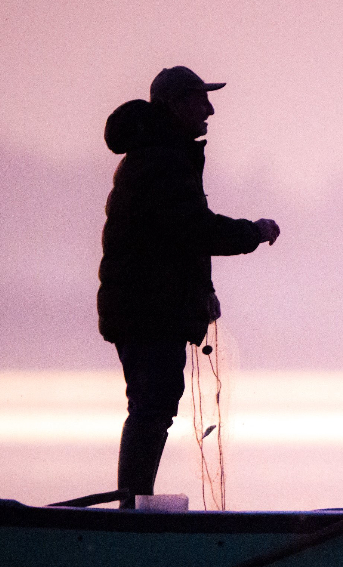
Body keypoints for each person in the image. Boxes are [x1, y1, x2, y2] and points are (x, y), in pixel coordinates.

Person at [98, 66, 280, 508]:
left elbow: (175, 242)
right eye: (200, 100)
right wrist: (252, 232)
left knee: (153, 403)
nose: (210, 110)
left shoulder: (161, 154)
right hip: (145, 310)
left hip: (144, 307)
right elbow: (193, 230)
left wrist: (202, 294)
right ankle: (132, 510)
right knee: (152, 405)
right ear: (175, 105)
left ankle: (133, 505)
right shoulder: (163, 160)